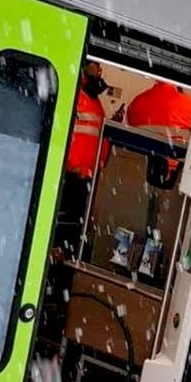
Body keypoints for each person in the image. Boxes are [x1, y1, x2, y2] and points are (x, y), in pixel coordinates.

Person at [57, 61, 112, 257]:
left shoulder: (96, 104)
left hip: (85, 179)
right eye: (97, 66)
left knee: (73, 231)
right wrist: (71, 167)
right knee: (63, 229)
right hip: (70, 176)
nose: (100, 71)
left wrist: (99, 165)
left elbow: (100, 138)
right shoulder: (74, 96)